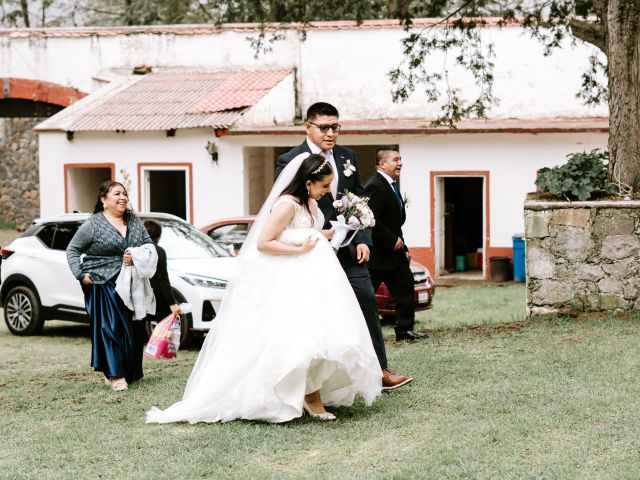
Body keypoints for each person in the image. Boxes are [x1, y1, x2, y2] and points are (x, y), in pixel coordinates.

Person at [147, 154, 382, 424]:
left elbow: (311, 231)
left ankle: (311, 392)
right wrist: (298, 249)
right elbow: (264, 242)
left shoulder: (310, 204)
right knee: (290, 336)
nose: (327, 191)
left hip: (314, 280)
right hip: (290, 279)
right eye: (324, 186)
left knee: (317, 334)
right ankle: (285, 393)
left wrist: (340, 230)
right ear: (307, 183)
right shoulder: (286, 205)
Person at [275, 102, 413, 390]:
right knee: (316, 313)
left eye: (335, 127)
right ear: (308, 127)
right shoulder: (290, 159)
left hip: (351, 251)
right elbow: (285, 203)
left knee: (365, 302)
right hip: (312, 251)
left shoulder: (347, 156)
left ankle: (380, 371)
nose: (330, 133)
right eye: (323, 127)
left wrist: (363, 239)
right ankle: (315, 382)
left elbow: (359, 200)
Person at [66, 181, 154, 392]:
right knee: (111, 328)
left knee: (132, 329)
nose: (122, 197)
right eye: (116, 194)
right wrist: (80, 274)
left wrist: (137, 256)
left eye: (124, 193)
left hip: (131, 283)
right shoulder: (93, 225)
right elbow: (72, 250)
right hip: (103, 281)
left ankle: (130, 371)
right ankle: (115, 374)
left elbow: (149, 244)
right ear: (104, 200)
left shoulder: (134, 221)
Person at [365, 147, 428, 341]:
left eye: (400, 159)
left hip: (395, 253)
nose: (400, 163)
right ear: (382, 164)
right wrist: (391, 240)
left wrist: (403, 246)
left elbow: (394, 221)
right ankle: (360, 331)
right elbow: (371, 219)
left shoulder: (391, 184)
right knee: (366, 295)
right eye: (395, 160)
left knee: (405, 287)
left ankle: (404, 330)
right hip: (378, 255)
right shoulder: (374, 185)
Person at [143, 220, 181, 323]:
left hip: (137, 298)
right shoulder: (159, 251)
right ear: (159, 236)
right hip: (155, 298)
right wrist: (172, 303)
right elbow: (163, 279)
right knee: (165, 324)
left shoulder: (136, 250)